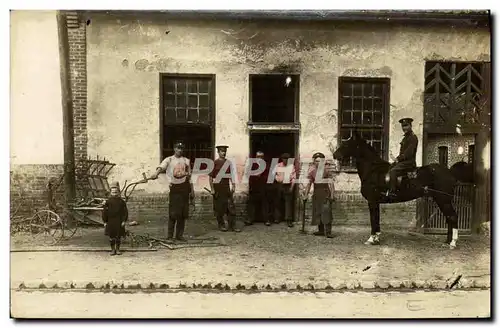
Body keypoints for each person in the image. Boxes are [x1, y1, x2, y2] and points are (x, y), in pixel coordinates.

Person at [150, 141, 194, 242]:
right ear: (174, 149)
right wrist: (156, 173)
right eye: (178, 148)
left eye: (181, 148)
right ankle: (170, 236)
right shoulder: (169, 159)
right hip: (175, 189)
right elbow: (162, 167)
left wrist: (192, 191)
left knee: (183, 214)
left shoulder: (186, 161)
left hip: (185, 188)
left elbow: (190, 177)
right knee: (173, 213)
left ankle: (179, 235)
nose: (180, 150)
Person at [302, 152, 336, 238]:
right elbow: (309, 184)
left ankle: (328, 232)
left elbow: (331, 184)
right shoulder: (312, 172)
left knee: (326, 212)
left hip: (325, 193)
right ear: (314, 162)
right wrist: (306, 195)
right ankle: (320, 231)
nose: (318, 163)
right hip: (317, 194)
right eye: (316, 161)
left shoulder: (326, 171)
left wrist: (332, 195)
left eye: (320, 161)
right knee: (318, 212)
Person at [209, 145, 241, 232]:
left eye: (224, 151)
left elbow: (231, 175)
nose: (223, 153)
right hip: (218, 188)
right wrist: (212, 189)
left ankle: (232, 226)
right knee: (219, 208)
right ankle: (221, 225)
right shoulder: (215, 163)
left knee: (231, 207)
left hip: (226, 187)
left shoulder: (228, 163)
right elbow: (211, 177)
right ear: (218, 152)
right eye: (222, 151)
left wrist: (233, 185)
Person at [386, 118, 419, 198]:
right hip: (403, 162)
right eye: (403, 126)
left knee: (393, 171)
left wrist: (398, 159)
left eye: (406, 125)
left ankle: (392, 192)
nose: (404, 128)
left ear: (410, 126)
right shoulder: (405, 138)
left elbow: (408, 153)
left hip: (409, 163)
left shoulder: (413, 138)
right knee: (389, 167)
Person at [102, 181, 128, 255]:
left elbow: (125, 212)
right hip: (110, 222)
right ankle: (113, 250)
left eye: (116, 192)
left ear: (118, 192)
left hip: (119, 221)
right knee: (111, 236)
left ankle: (118, 250)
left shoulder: (122, 202)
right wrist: (105, 222)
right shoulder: (107, 202)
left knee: (118, 236)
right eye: (113, 192)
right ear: (111, 193)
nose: (114, 194)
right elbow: (104, 212)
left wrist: (124, 221)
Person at [272, 153, 297, 228]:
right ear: (282, 159)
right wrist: (277, 179)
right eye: (284, 158)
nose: (285, 160)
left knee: (288, 203)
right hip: (279, 185)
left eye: (287, 158)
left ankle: (288, 219)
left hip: (287, 185)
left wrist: (291, 188)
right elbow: (273, 174)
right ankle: (277, 218)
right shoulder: (278, 165)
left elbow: (293, 178)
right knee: (277, 202)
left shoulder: (291, 166)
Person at [246, 150, 270, 226]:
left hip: (263, 187)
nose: (260, 158)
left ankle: (266, 220)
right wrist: (250, 186)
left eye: (261, 157)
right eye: (258, 156)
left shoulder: (266, 166)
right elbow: (249, 176)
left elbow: (268, 176)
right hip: (254, 187)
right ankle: (250, 219)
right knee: (252, 204)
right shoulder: (252, 165)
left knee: (265, 204)